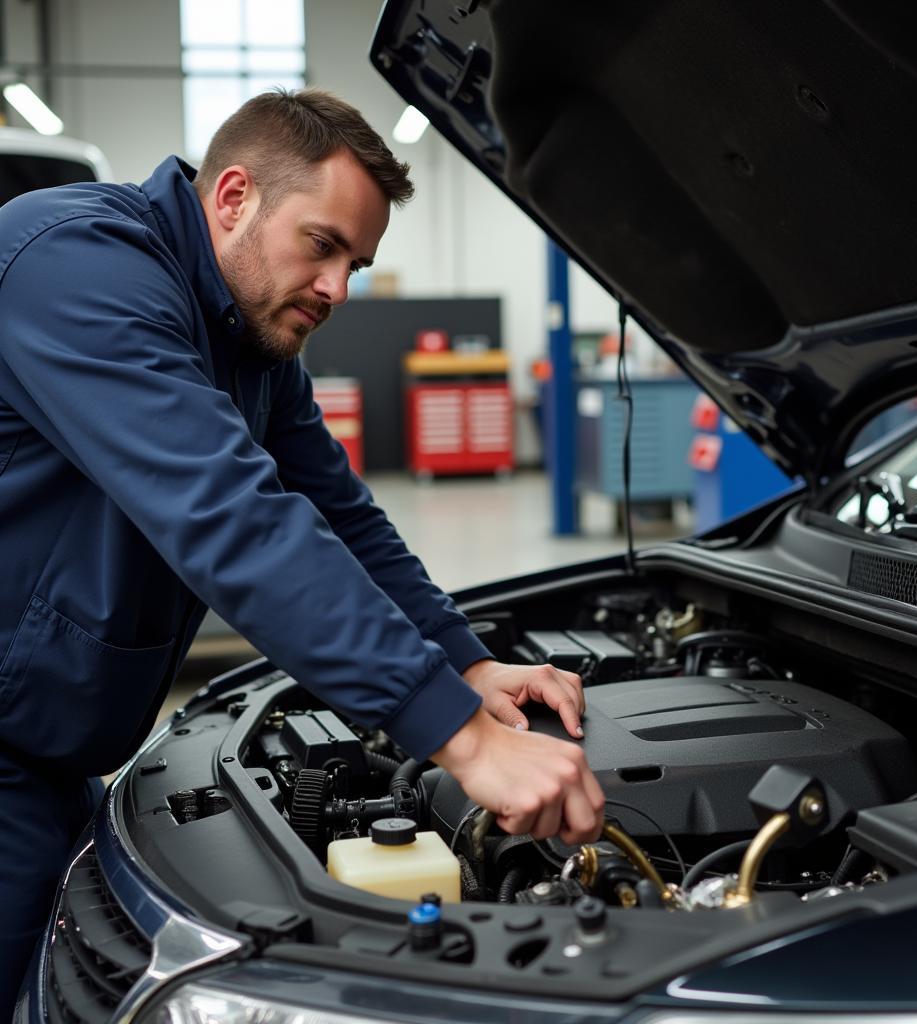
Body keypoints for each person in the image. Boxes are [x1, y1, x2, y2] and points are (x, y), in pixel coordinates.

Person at [0, 88, 604, 1016]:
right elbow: (229, 514)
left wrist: (467, 662)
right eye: (322, 246)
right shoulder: (74, 263)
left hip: (53, 740)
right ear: (233, 196)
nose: (339, 289)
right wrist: (462, 737)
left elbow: (338, 514)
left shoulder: (249, 341)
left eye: (356, 263)